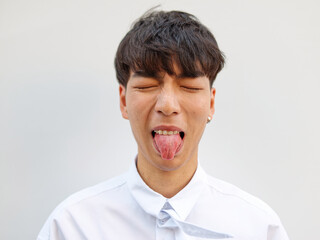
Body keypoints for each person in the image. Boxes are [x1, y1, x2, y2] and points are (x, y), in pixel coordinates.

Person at [37, 10, 289, 240]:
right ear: (124, 101)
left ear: (211, 104)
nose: (167, 106)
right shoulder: (73, 225)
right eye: (146, 86)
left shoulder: (257, 227)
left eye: (189, 87)